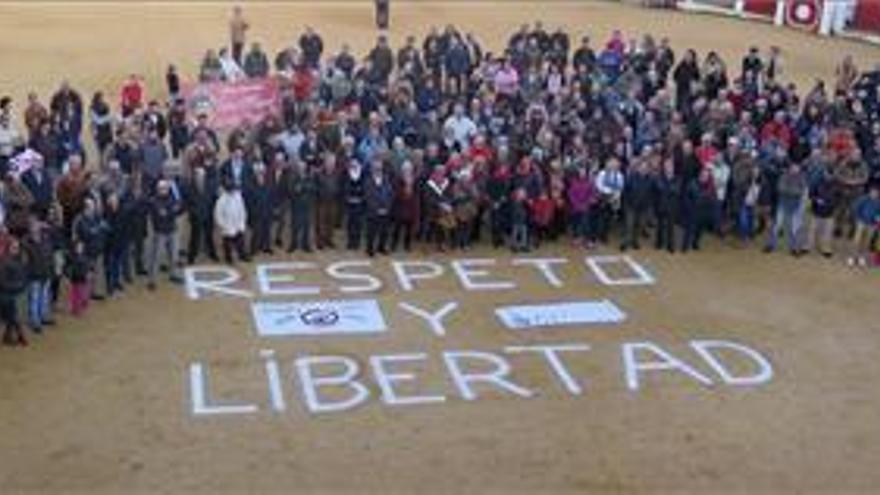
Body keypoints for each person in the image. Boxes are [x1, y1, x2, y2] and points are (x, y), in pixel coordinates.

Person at [147, 180, 183, 290]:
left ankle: (174, 274)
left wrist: (170, 211)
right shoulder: (154, 201)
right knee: (156, 257)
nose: (163, 190)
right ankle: (152, 280)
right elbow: (162, 214)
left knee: (174, 255)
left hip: (172, 230)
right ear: (157, 189)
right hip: (160, 232)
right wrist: (171, 211)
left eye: (165, 188)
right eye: (161, 189)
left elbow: (177, 210)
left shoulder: (171, 198)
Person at [24, 222, 54, 332]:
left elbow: (49, 256)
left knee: (44, 296)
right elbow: (25, 262)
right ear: (30, 230)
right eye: (33, 227)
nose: (35, 230)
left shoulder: (46, 240)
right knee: (34, 298)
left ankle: (43, 316)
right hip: (33, 275)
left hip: (46, 273)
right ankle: (34, 321)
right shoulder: (27, 243)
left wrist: (50, 270)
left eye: (37, 227)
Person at [0, 238, 29, 346]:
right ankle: (20, 336)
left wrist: (22, 284)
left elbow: (23, 274)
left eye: (17, 247)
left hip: (17, 293)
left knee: (13, 317)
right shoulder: (4, 262)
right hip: (6, 294)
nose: (16, 249)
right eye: (14, 247)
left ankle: (8, 337)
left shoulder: (20, 260)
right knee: (13, 317)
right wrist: (18, 286)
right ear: (8, 248)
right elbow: (2, 282)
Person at [214, 179, 250, 265]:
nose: (233, 191)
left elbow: (243, 210)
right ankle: (228, 258)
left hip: (237, 223)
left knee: (240, 241)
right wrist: (223, 225)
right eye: (231, 190)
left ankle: (242, 255)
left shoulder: (238, 196)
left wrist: (242, 222)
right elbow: (218, 214)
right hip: (227, 225)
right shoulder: (221, 200)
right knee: (227, 243)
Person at [364, 161, 393, 256]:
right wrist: (377, 209)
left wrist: (386, 208)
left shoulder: (386, 179)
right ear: (372, 169)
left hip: (385, 210)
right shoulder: (368, 181)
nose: (378, 170)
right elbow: (368, 197)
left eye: (380, 169)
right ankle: (370, 249)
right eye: (376, 168)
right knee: (371, 231)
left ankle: (381, 247)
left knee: (384, 231)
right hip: (373, 211)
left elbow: (390, 194)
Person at [848, 186, 880, 267]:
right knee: (857, 240)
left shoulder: (878, 202)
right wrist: (858, 218)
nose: (874, 194)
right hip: (861, 222)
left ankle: (861, 257)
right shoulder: (863, 199)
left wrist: (877, 217)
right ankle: (852, 257)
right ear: (870, 192)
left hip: (871, 224)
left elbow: (878, 213)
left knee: (866, 241)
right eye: (873, 192)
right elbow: (855, 208)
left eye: (876, 193)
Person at [64, 240, 90, 317]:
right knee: (75, 294)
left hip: (83, 277)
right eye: (78, 247)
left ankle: (81, 305)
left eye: (81, 247)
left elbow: (88, 266)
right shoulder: (71, 257)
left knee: (83, 293)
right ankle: (75, 308)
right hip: (75, 277)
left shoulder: (85, 256)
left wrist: (89, 272)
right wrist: (67, 276)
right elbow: (67, 267)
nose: (79, 248)